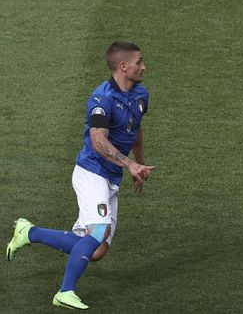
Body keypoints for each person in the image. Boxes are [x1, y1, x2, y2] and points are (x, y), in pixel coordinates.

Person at [6, 41, 155, 309]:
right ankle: (65, 292)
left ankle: (29, 232)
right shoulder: (102, 98)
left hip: (111, 178)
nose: (144, 67)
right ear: (123, 66)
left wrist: (140, 164)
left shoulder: (141, 93)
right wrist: (129, 164)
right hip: (91, 173)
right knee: (99, 229)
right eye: (139, 62)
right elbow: (98, 141)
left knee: (96, 249)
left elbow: (136, 128)